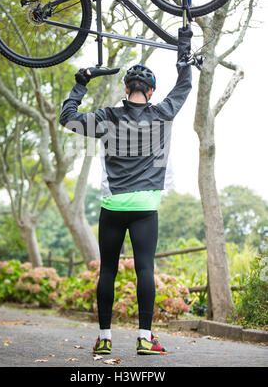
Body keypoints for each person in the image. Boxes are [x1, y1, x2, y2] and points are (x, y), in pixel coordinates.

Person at [59, 25, 193, 355]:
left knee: (108, 270)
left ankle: (104, 338)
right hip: (146, 206)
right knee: (145, 269)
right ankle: (145, 339)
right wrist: (184, 48)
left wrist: (81, 82)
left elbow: (67, 117)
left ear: (125, 88)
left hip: (113, 206)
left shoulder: (106, 117)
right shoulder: (163, 113)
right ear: (150, 92)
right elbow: (185, 83)